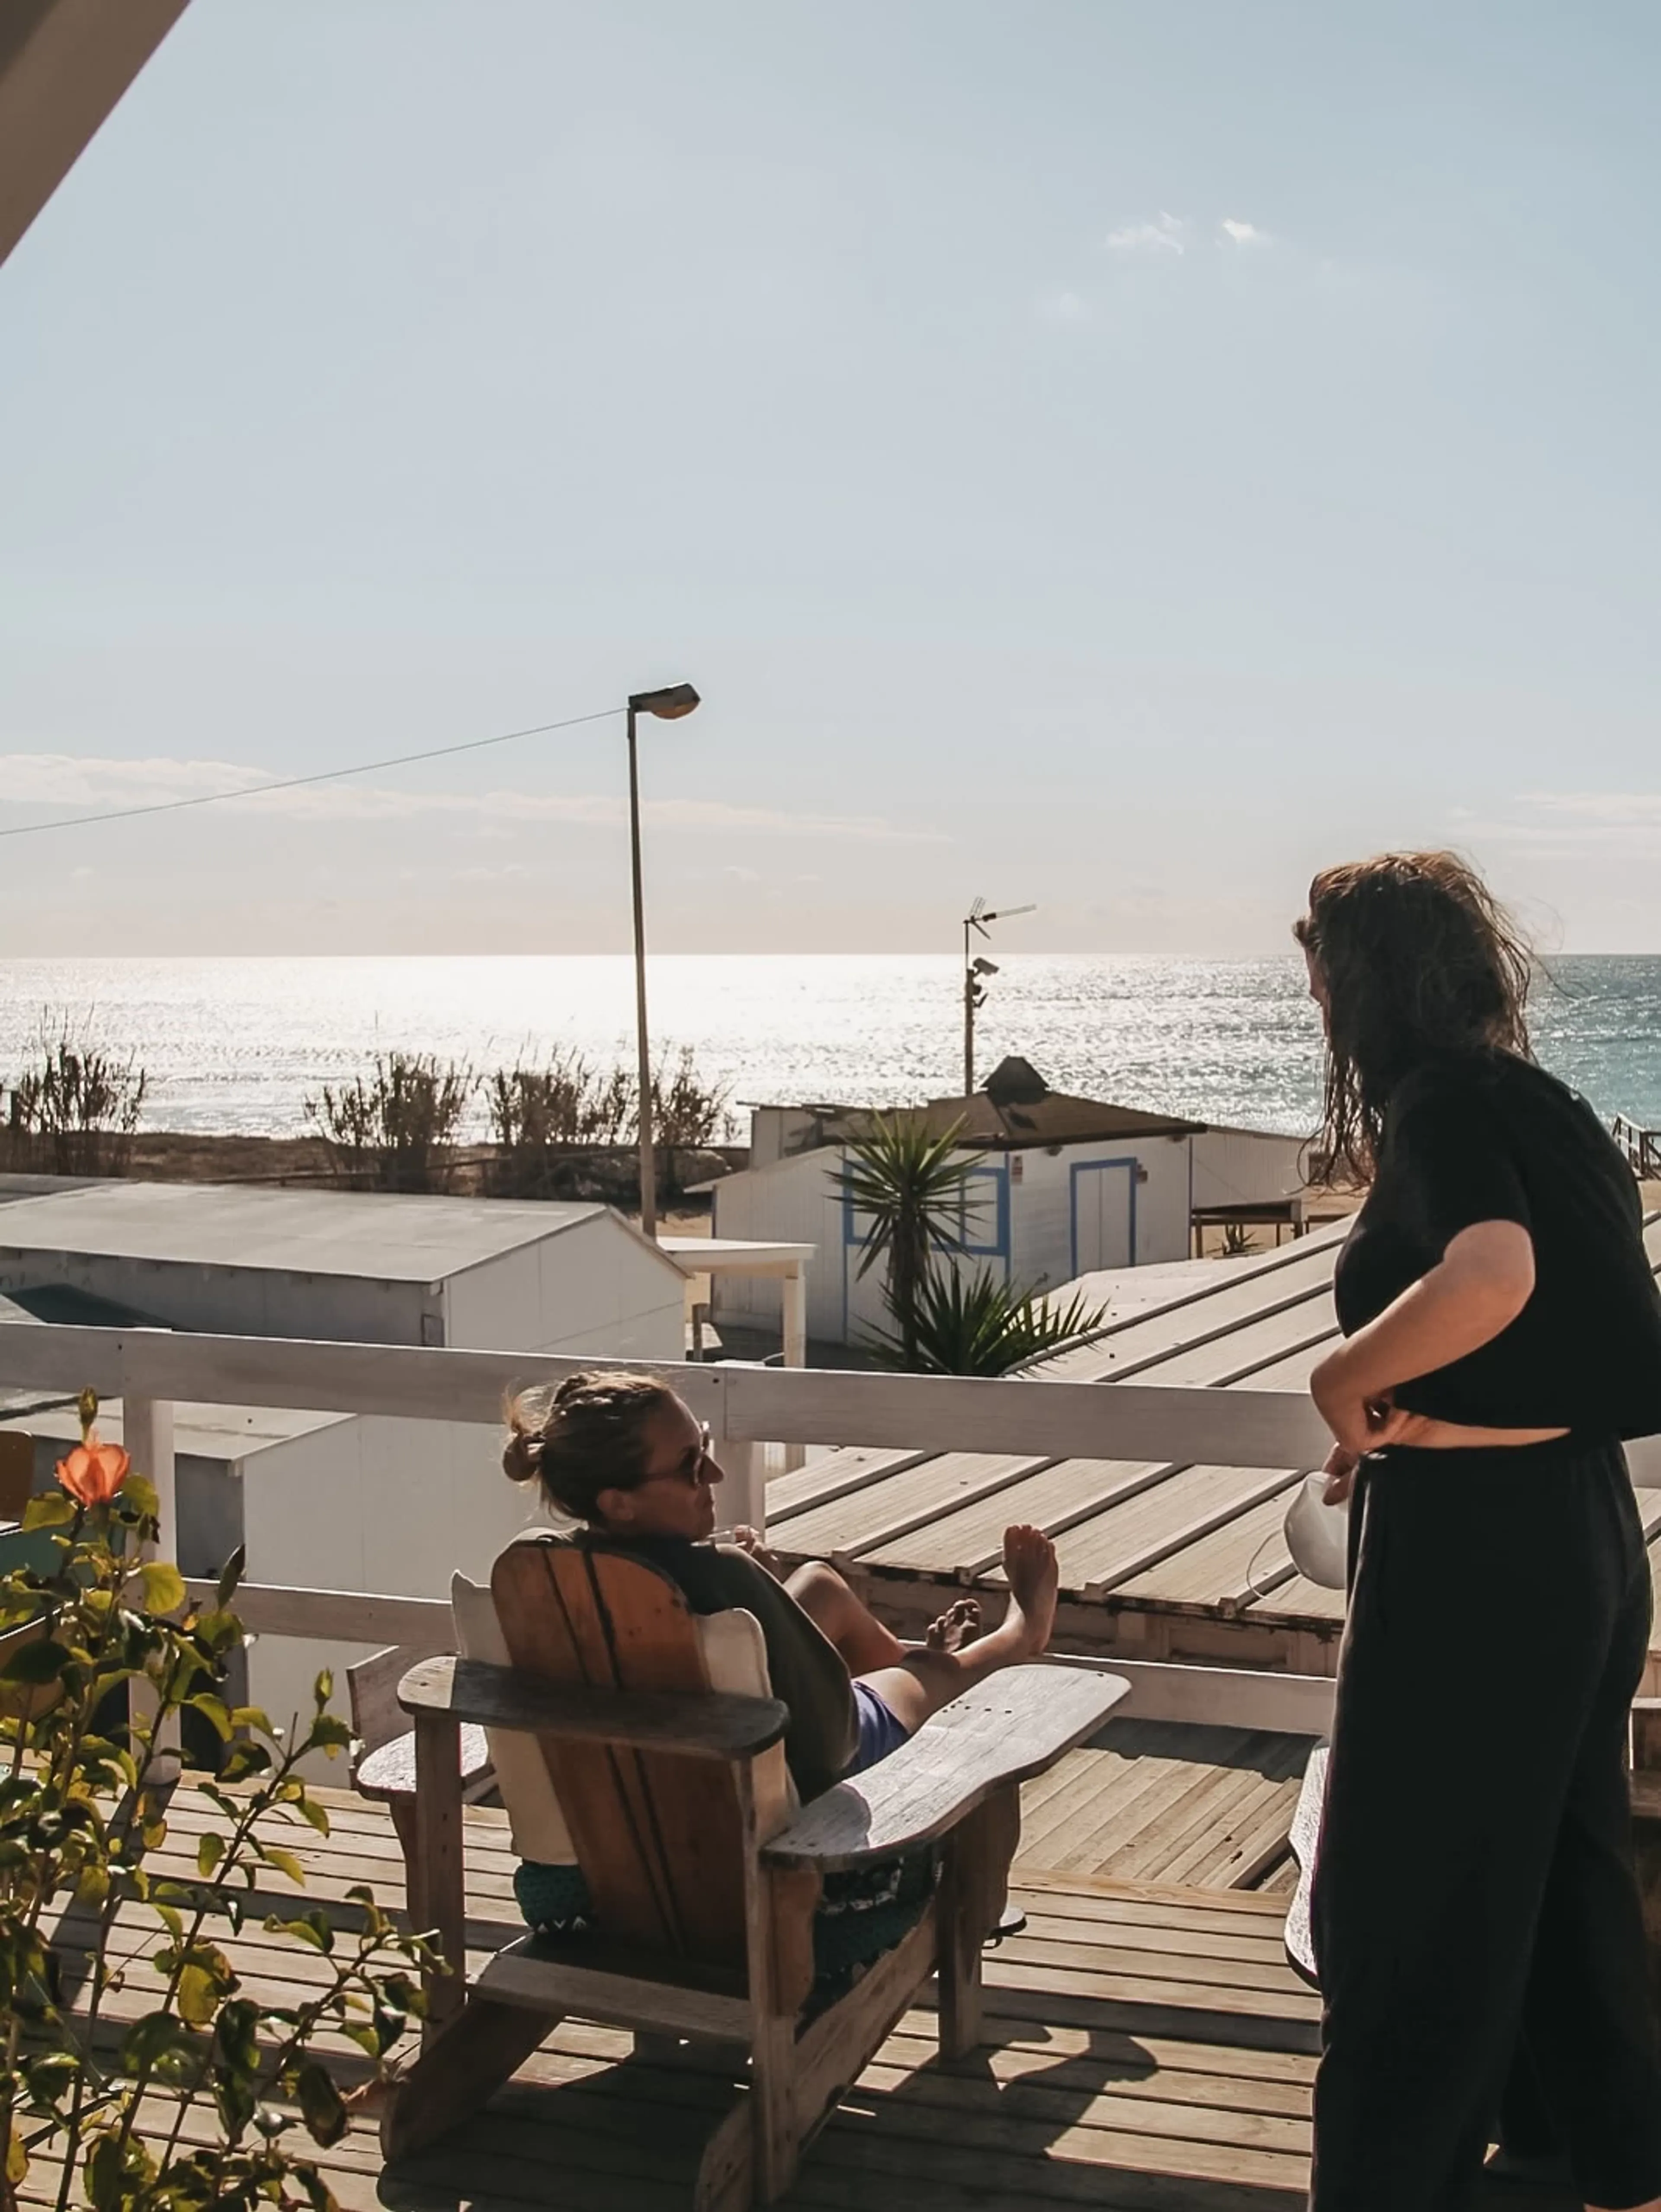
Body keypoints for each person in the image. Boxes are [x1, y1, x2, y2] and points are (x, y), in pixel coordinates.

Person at [1296, 850, 1661, 2212]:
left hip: (1476, 1555)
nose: (1315, 987)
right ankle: (1614, 2168)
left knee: (1403, 1899)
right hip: (1580, 1530)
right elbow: (1563, 1315)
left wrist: (1345, 1388)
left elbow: (1494, 1273)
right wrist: (1400, 1424)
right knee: (1567, 1873)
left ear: (1368, 980)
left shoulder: (1437, 1102)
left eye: (1321, 961)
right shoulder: (1544, 1102)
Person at [501, 1369, 1061, 1803]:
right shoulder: (723, 1574)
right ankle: (1018, 1634)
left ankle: (905, 1654)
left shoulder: (545, 1574)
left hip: (661, 1755)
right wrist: (757, 1587)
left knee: (819, 1583)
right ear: (618, 1501)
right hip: (790, 1767)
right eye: (689, 1465)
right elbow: (833, 1734)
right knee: (924, 1677)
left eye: (706, 1447)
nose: (714, 1476)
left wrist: (761, 1596)